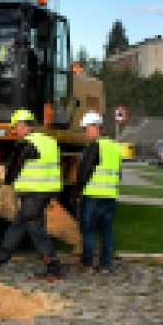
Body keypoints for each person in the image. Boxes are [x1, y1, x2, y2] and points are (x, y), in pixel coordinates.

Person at [0, 108, 65, 282]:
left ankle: (54, 270)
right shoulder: (49, 141)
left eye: (15, 127)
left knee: (36, 230)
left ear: (23, 126)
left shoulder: (26, 144)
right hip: (46, 191)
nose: (14, 131)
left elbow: (13, 168)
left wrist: (6, 179)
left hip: (33, 193)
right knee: (18, 226)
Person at [69, 111, 122, 273]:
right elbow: (119, 173)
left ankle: (88, 264)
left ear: (96, 128)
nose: (85, 132)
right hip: (110, 196)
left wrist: (75, 192)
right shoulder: (115, 147)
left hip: (93, 195)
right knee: (106, 231)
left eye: (86, 129)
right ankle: (105, 265)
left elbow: (85, 172)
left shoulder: (94, 146)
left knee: (88, 230)